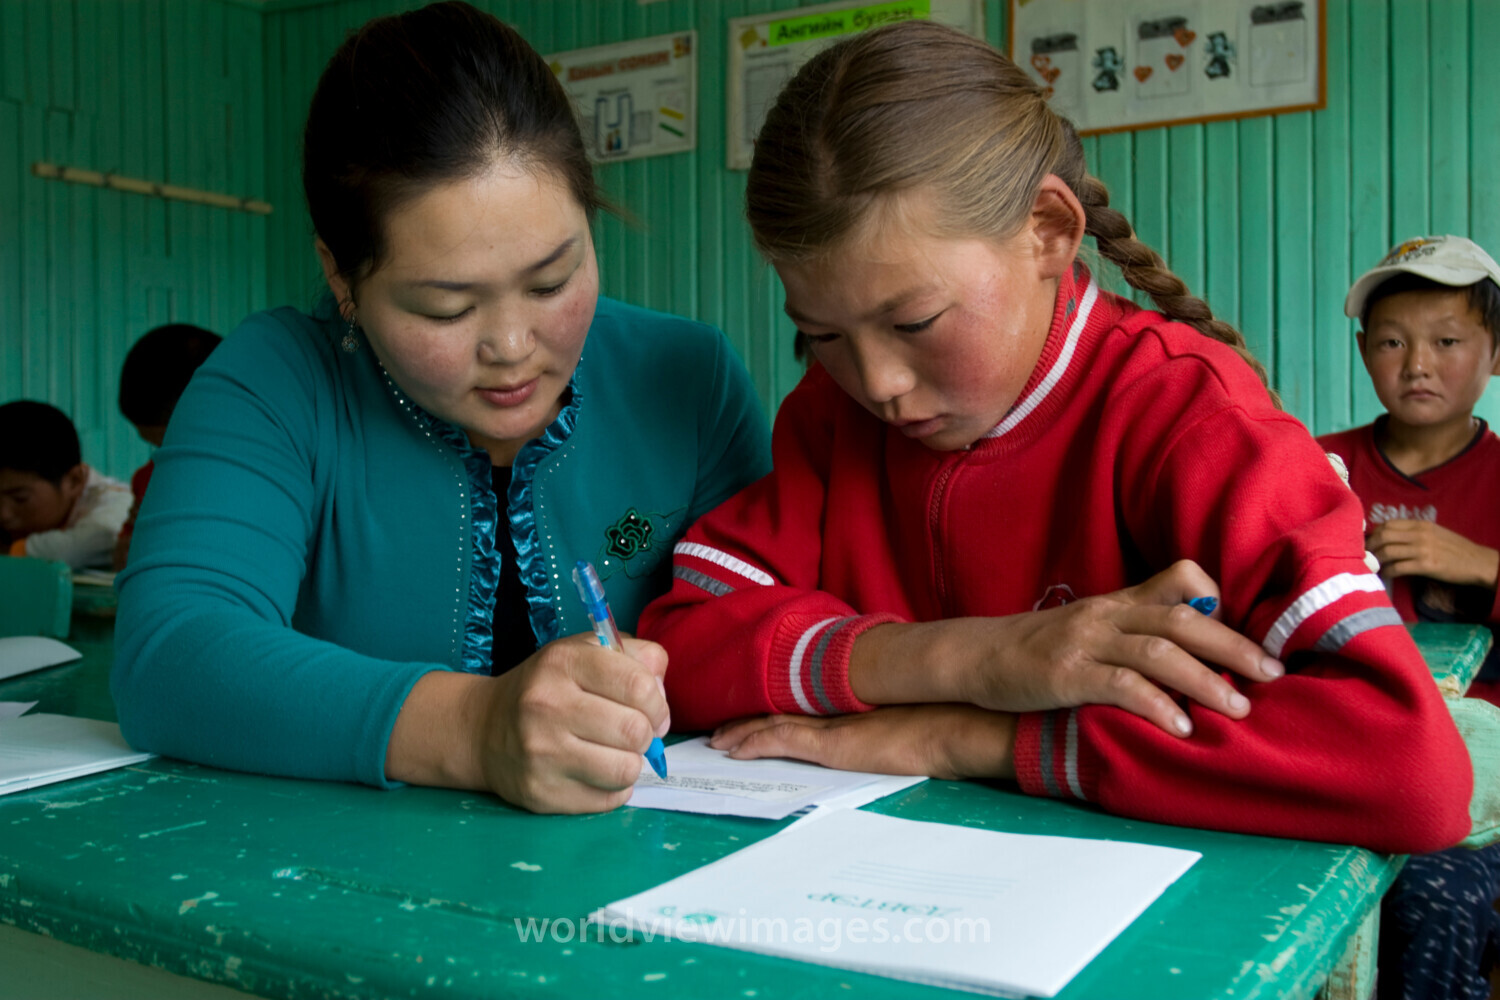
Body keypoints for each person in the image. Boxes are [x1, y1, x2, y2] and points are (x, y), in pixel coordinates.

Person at [640, 20, 1473, 855]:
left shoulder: (1191, 415)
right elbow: (679, 649)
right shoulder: (832, 415)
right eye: (820, 334)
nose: (878, 384)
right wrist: (975, 660)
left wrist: (964, 739)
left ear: (1046, 230)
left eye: (915, 320)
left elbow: (1408, 771)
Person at [111, 1, 771, 815]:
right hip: (350, 894)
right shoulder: (274, 381)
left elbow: (760, 627)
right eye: (444, 309)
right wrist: (476, 728)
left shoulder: (688, 378)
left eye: (553, 280)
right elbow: (169, 657)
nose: (511, 345)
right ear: (341, 276)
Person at [1317, 235, 1500, 1000]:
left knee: (1430, 898)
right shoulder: (1314, 467)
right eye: (1392, 341)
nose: (1417, 363)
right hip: (1337, 756)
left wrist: (1484, 566)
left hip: (1478, 788)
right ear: (1363, 351)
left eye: (1448, 341)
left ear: (1495, 354)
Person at [113, 323, 223, 569]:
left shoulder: (268, 478)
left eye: (178, 445)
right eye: (157, 447)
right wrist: (132, 547)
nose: (163, 460)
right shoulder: (149, 480)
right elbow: (123, 558)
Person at [0, 400, 132, 570]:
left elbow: (81, 547)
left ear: (74, 481)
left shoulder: (118, 503)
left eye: (20, 499)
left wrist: (11, 550)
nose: (4, 515)